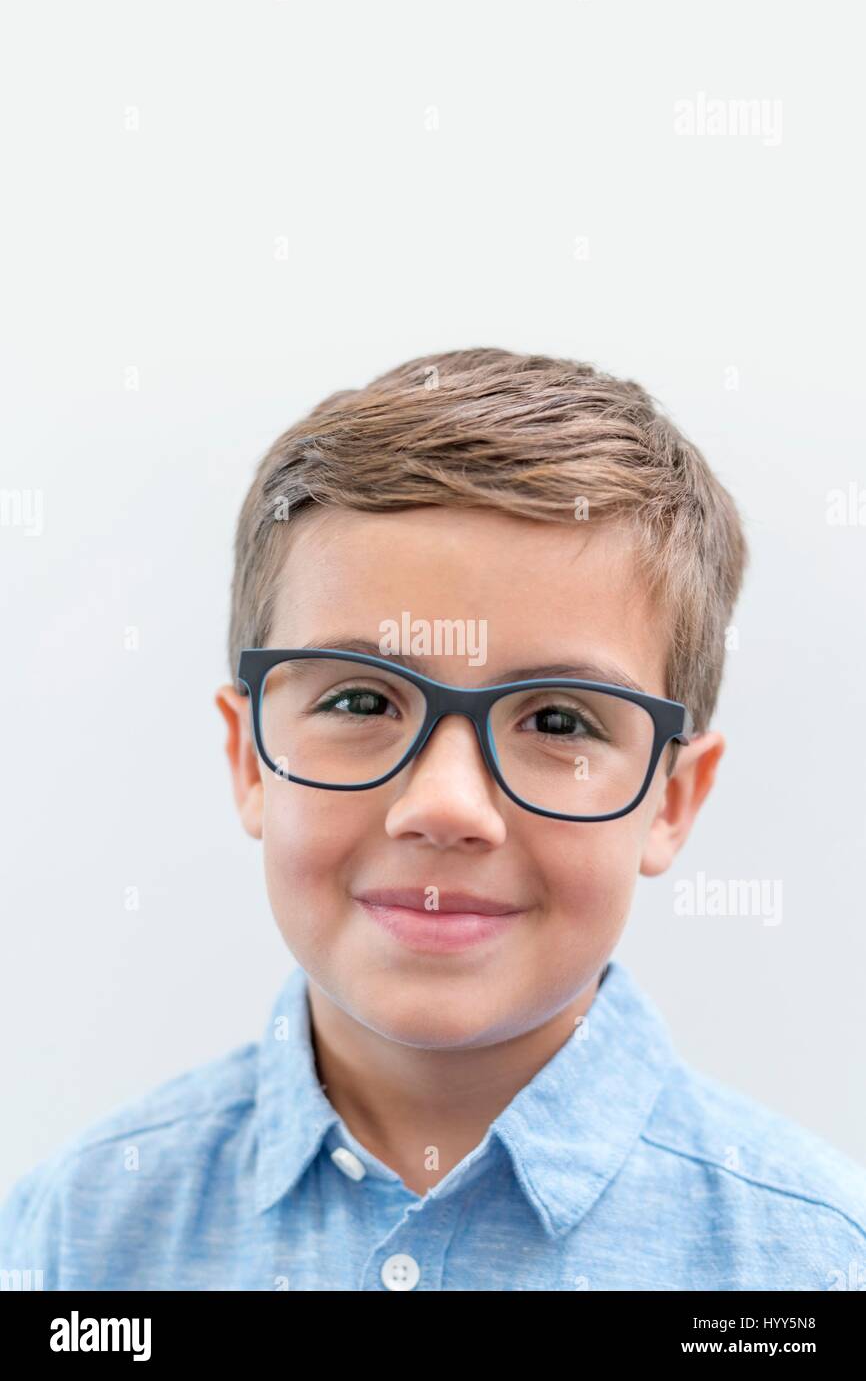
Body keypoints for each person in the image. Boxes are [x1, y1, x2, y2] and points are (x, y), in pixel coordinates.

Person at [2, 348, 865, 1291]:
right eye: (362, 704)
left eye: (559, 721)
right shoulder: (71, 1243)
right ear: (251, 759)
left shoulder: (813, 1266)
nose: (446, 807)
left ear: (673, 800)